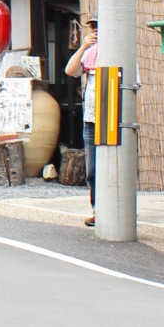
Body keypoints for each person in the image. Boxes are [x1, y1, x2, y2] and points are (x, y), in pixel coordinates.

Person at [64, 16, 99, 228]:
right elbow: (70, 70)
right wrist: (84, 45)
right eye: (93, 27)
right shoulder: (89, 53)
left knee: (113, 166)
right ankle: (98, 210)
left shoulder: (120, 49)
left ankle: (116, 210)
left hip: (113, 119)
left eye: (98, 26)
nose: (94, 30)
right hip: (90, 118)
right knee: (92, 169)